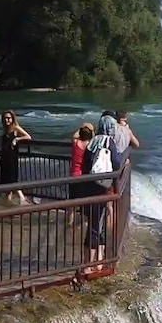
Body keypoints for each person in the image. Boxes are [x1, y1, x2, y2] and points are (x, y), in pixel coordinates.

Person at [80, 114, 123, 274]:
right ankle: (89, 266)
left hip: (89, 188)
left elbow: (85, 166)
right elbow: (117, 163)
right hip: (101, 189)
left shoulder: (92, 141)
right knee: (96, 226)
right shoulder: (108, 142)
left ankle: (94, 262)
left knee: (93, 224)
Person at [0, 110, 31, 205]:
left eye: (9, 118)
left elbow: (28, 137)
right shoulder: (5, 130)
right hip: (5, 158)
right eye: (5, 118)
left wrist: (17, 139)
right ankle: (7, 203)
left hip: (12, 158)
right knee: (6, 182)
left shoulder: (15, 128)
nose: (7, 120)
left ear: (12, 119)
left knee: (12, 180)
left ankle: (22, 199)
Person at [68, 122, 94, 226]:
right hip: (86, 175)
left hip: (74, 174)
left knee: (72, 200)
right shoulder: (91, 145)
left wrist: (81, 127)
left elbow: (74, 135)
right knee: (86, 200)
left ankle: (70, 221)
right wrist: (91, 131)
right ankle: (86, 222)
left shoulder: (75, 143)